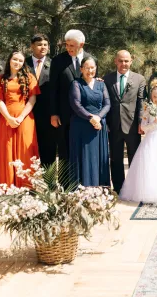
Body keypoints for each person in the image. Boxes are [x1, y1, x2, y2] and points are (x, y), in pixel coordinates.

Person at [0, 50, 39, 186]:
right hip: (5, 119)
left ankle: (26, 186)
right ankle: (7, 185)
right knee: (6, 151)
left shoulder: (29, 78)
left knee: (25, 150)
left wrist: (20, 117)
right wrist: (8, 118)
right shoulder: (0, 79)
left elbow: (32, 100)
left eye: (20, 61)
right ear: (9, 60)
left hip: (25, 119)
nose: (17, 63)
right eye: (15, 59)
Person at [104, 50, 146, 192]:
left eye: (126, 61)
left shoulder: (139, 79)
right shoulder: (107, 79)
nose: (123, 64)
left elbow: (141, 102)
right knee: (116, 160)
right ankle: (119, 189)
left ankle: (134, 188)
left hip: (133, 125)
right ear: (115, 61)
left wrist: (141, 122)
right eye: (121, 61)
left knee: (134, 159)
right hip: (113, 125)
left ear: (131, 61)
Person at [68, 56, 110, 187]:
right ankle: (82, 187)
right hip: (81, 125)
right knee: (84, 157)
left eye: (92, 67)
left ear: (96, 68)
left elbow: (107, 103)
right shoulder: (76, 84)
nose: (90, 70)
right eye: (87, 68)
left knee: (98, 157)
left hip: (98, 126)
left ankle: (99, 187)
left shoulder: (101, 84)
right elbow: (76, 104)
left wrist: (98, 117)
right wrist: (90, 118)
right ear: (81, 69)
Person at [50, 29, 86, 162]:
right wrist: (54, 113)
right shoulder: (58, 60)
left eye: (72, 45)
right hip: (64, 114)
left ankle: (83, 181)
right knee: (65, 150)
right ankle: (66, 182)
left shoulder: (92, 60)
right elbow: (53, 88)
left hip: (85, 114)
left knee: (82, 150)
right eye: (67, 45)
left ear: (81, 45)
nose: (68, 48)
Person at [27, 35, 54, 164]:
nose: (42, 47)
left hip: (48, 114)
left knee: (48, 148)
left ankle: (48, 182)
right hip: (26, 113)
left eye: (45, 44)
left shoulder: (54, 64)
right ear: (32, 46)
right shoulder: (23, 63)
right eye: (39, 44)